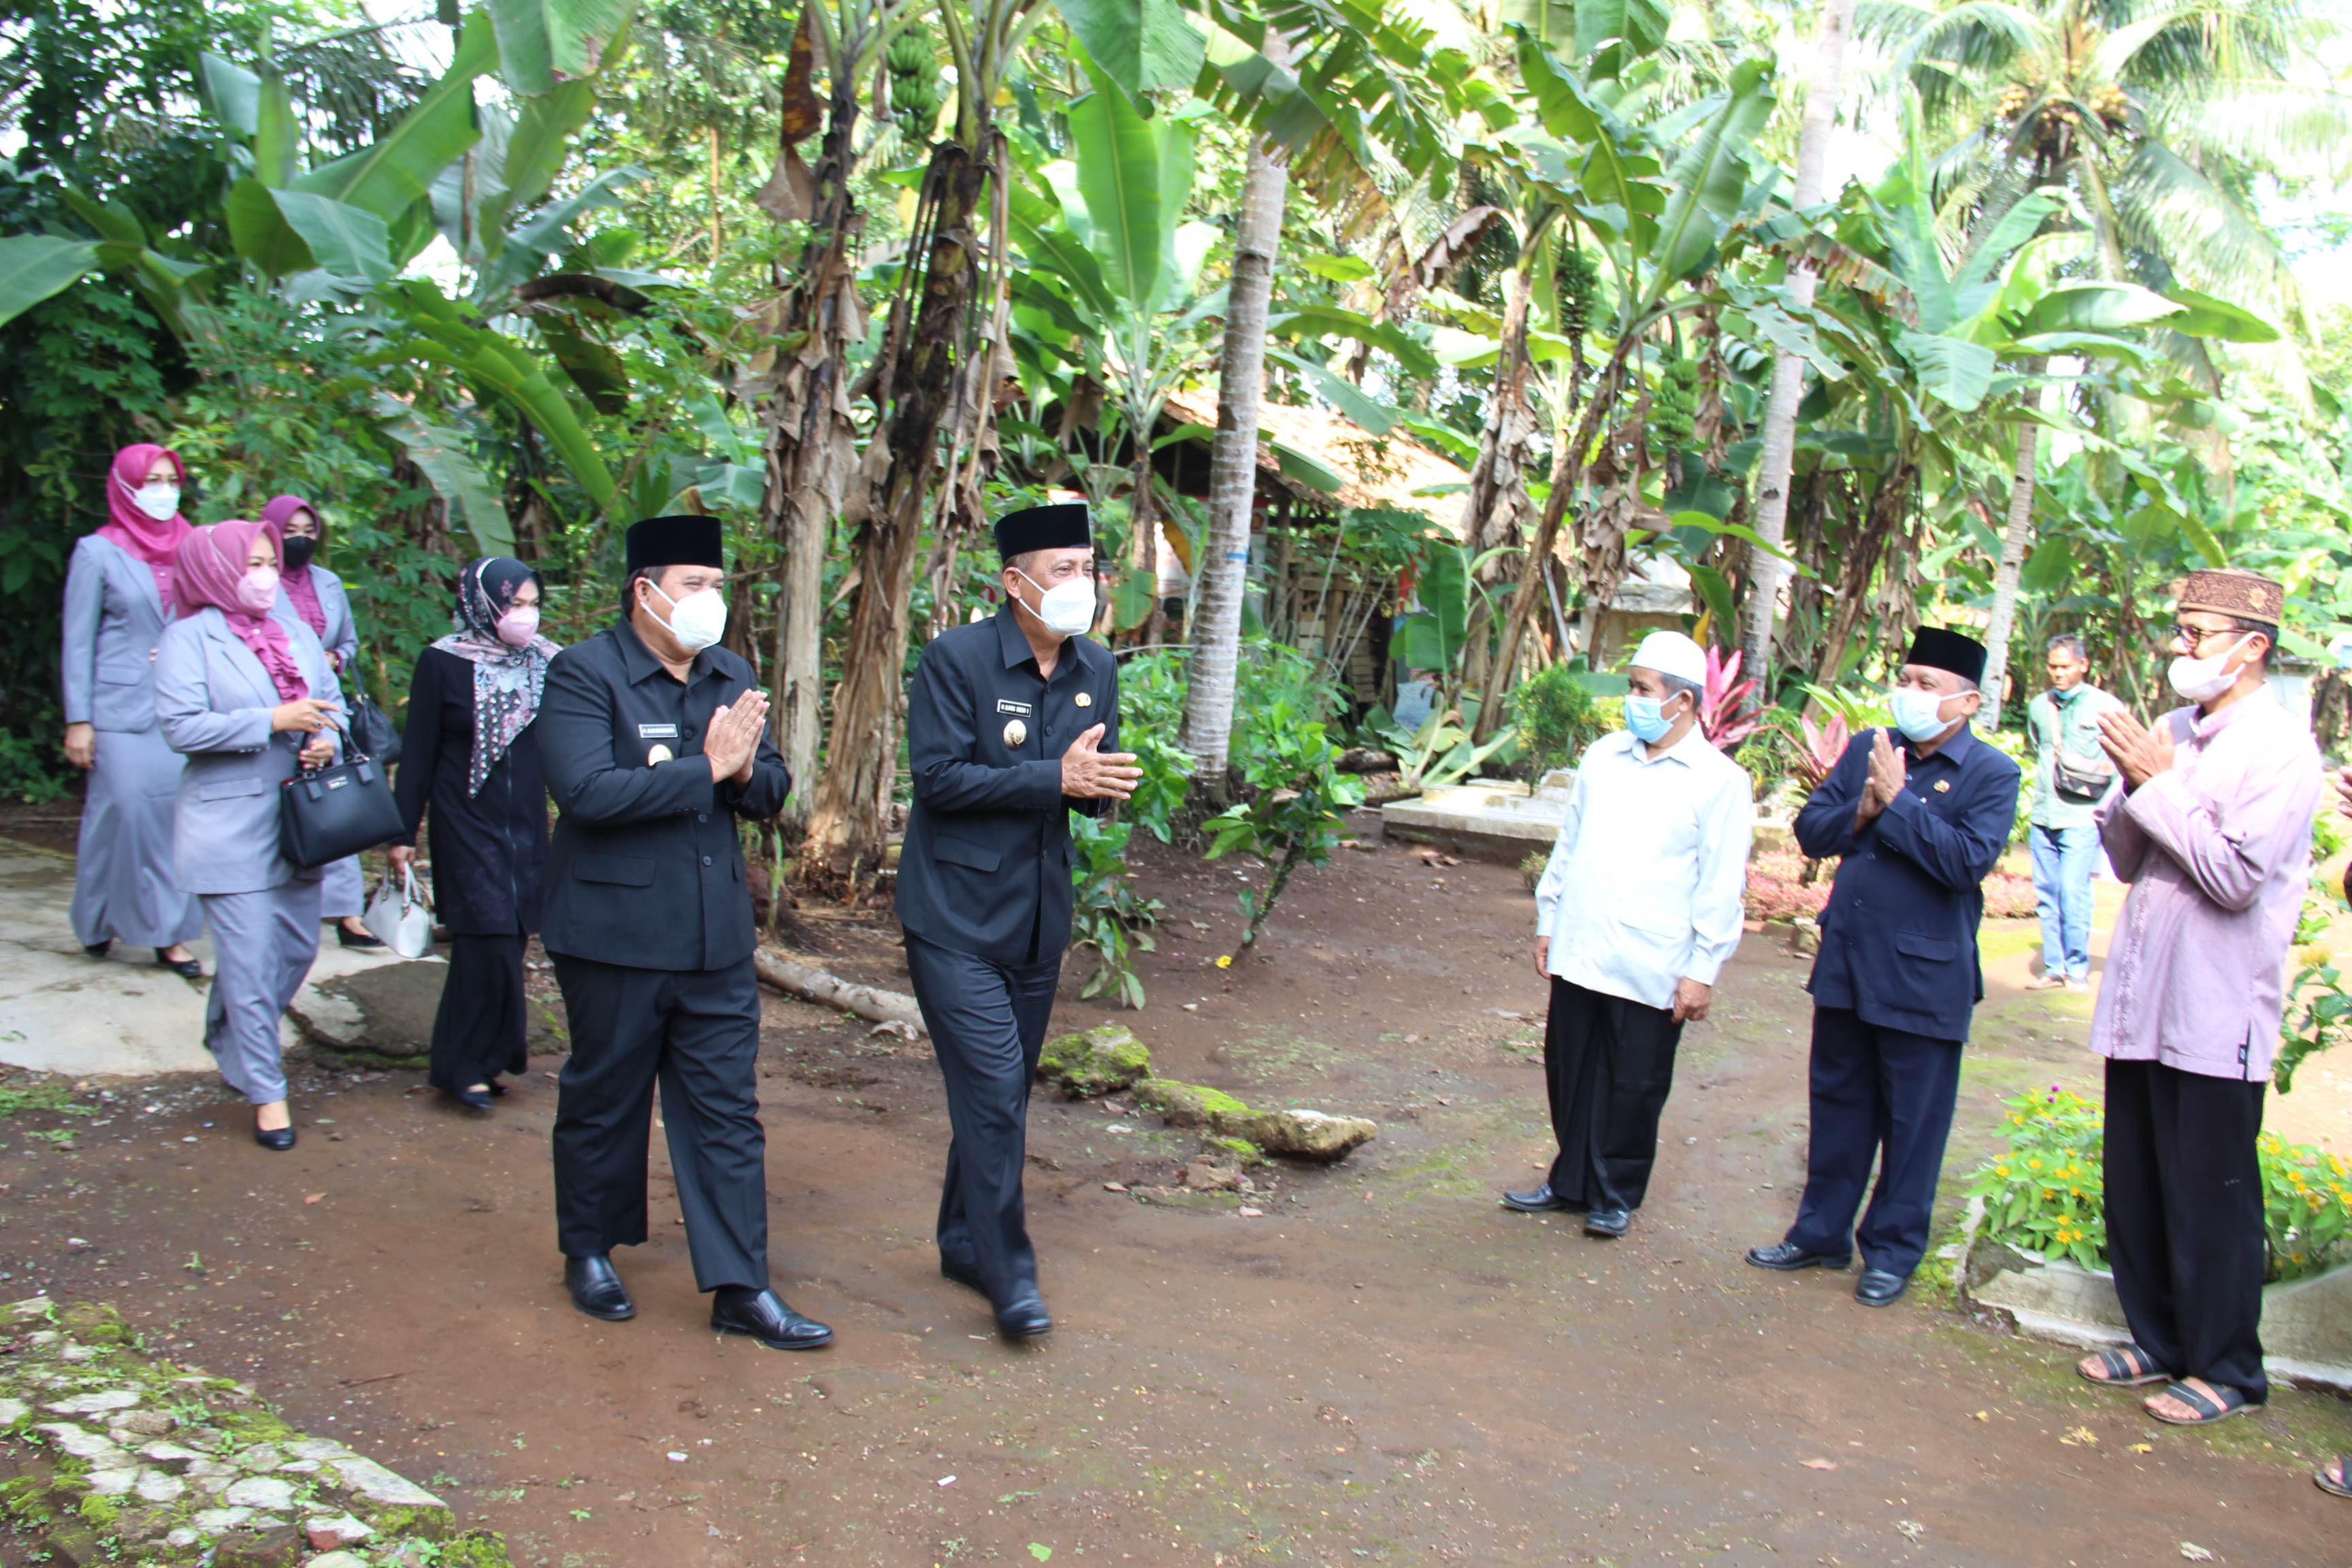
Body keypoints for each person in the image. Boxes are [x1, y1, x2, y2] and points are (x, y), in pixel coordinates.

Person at [533, 514, 830, 1351]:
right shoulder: (584, 675)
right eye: (695, 586)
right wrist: (711, 766)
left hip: (714, 938)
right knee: (606, 1097)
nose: (713, 601)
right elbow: (588, 794)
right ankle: (589, 1248)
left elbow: (769, 785)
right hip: (611, 933)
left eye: (717, 585)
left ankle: (742, 1286)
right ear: (646, 592)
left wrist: (738, 771)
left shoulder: (729, 672)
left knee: (728, 1112)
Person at [2072, 569, 2319, 1428]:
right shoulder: (2174, 730)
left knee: (2210, 1190)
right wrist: (2128, 781)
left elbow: (2234, 876)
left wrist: (2158, 780)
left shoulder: (2283, 749)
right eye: (2178, 632)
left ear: (2253, 646)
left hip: (2217, 1009)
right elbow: (2129, 861)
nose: (2182, 649)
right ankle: (2158, 1341)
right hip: (2144, 998)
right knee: (2136, 1176)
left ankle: (2229, 1368)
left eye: (2199, 634)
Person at [896, 501, 1137, 1339]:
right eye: (1062, 569)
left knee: (1002, 1092)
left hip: (1037, 917)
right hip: (954, 916)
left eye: (1089, 568)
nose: (1082, 584)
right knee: (995, 1089)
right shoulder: (956, 661)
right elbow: (939, 781)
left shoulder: (1095, 666)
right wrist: (1054, 780)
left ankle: (963, 1238)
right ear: (1014, 581)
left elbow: (1090, 777)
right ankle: (1011, 1275)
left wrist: (1099, 791)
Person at [1747, 627, 2022, 1307]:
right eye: (1905, 677)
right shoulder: (1875, 747)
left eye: (1927, 684)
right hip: (1847, 963)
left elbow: (1964, 864)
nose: (1910, 692)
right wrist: (1866, 806)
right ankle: (1820, 1234)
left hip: (1926, 980)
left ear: (1968, 701)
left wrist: (1897, 804)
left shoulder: (1993, 774)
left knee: (1913, 1123)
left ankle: (1892, 1252)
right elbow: (1814, 829)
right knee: (1838, 1107)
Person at [1503, 631, 1752, 1237]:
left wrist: (1703, 969)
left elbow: (1721, 884)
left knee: (1634, 1080)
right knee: (1569, 1065)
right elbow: (1570, 844)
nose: (1631, 699)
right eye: (1631, 686)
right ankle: (1570, 1181)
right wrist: (1548, 918)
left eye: (1643, 689)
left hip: (1654, 957)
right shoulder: (1603, 756)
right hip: (1583, 942)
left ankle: (1616, 1192)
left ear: (1685, 703)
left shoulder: (1719, 781)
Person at [153, 519, 343, 1151]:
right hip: (227, 823)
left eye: (268, 563)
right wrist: (270, 720)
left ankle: (229, 1026)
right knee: (250, 960)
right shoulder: (189, 639)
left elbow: (334, 704)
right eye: (251, 563)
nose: (264, 575)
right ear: (215, 570)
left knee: (293, 953)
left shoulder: (296, 633)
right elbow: (181, 727)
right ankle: (268, 1093)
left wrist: (324, 739)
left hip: (300, 821)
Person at [387, 558, 556, 1111]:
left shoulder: (548, 662)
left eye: (532, 603)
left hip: (527, 823)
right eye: (513, 604)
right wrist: (402, 831)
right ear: (483, 604)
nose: (524, 616)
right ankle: (462, 1067)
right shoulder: (443, 662)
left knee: (510, 936)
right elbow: (418, 752)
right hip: (465, 818)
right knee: (483, 935)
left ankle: (486, 1057)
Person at [62, 444, 205, 978]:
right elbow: (78, 640)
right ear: (125, 486)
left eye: (172, 478)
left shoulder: (194, 544)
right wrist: (79, 719)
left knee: (169, 818)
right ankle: (98, 916)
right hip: (117, 707)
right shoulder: (97, 551)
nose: (164, 489)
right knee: (120, 812)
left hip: (181, 704)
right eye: (152, 479)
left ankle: (168, 934)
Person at [261, 495, 380, 951]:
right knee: (287, 807)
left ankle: (347, 913)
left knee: (338, 800)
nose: (301, 540)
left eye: (308, 532)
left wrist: (334, 656)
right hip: (278, 707)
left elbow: (349, 640)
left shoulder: (328, 582)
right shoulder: (259, 581)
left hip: (326, 705)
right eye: (289, 531)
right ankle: (279, 902)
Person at [2023, 634, 2120, 990]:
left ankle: (2077, 969)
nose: (2058, 673)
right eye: (2053, 667)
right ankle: (2054, 967)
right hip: (2044, 815)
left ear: (2084, 665)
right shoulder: (2038, 706)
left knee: (2072, 890)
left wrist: (2105, 814)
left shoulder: (2107, 707)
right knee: (2047, 893)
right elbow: (2039, 747)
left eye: (2065, 666)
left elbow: (2120, 760)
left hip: (2082, 817)